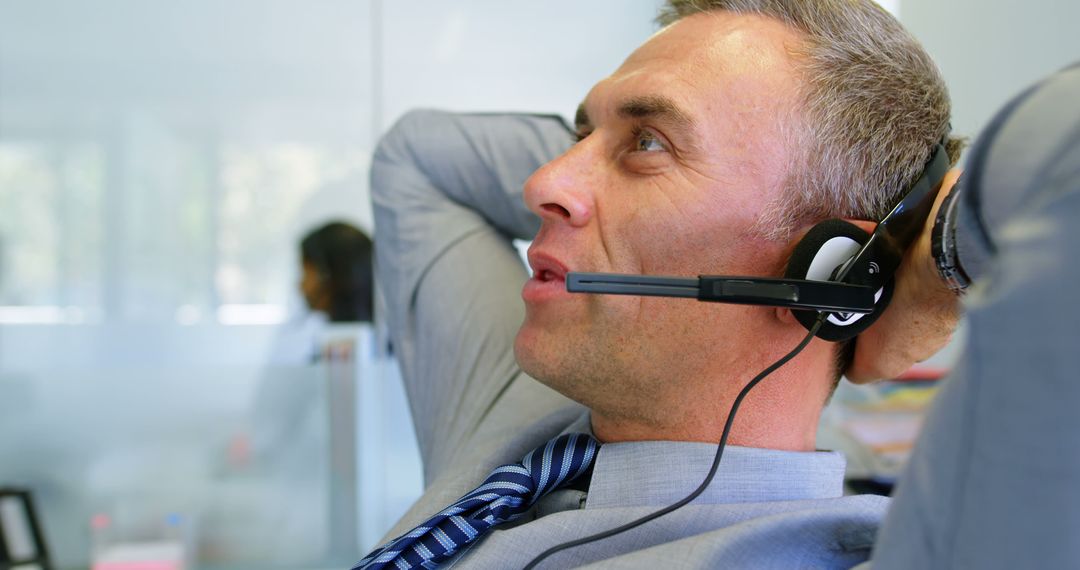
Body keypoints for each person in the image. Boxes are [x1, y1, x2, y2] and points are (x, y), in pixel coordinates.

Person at [361, 1, 964, 567]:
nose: (542, 182)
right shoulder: (519, 408)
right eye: (580, 137)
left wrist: (943, 256)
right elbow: (420, 157)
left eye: (648, 141)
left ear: (829, 271)